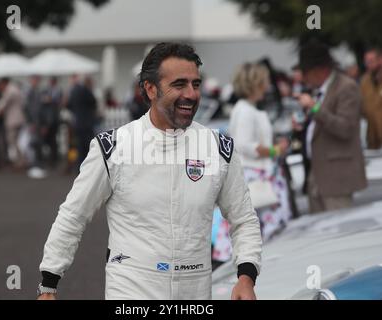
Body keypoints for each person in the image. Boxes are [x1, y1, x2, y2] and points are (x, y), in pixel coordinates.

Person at [38, 42, 262, 300]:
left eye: (196, 84)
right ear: (151, 89)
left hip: (195, 289)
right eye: (179, 84)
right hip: (132, 288)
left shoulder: (219, 147)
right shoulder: (113, 147)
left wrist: (246, 277)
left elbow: (243, 219)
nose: (191, 94)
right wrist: (48, 283)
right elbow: (73, 216)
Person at [295, 41, 367, 213]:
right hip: (318, 176)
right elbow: (320, 126)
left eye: (305, 72)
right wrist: (302, 126)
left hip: (337, 178)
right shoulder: (321, 89)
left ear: (319, 70)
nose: (303, 77)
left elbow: (345, 128)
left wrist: (314, 108)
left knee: (338, 234)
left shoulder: (346, 87)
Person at [228, 63, 291, 242]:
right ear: (255, 84)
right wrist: (276, 150)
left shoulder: (245, 109)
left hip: (258, 175)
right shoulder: (246, 111)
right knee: (269, 233)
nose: (267, 86)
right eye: (264, 81)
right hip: (257, 177)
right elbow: (246, 145)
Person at [360, 48, 382, 149]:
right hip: (373, 140)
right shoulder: (364, 82)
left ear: (381, 60)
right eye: (366, 62)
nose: (368, 64)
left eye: (371, 61)